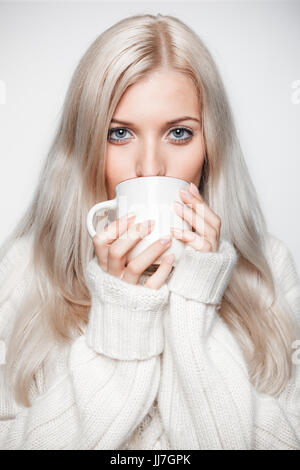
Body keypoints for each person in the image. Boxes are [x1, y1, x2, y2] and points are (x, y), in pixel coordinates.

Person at [0, 13, 299, 450]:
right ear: (85, 144)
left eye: (179, 133)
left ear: (211, 146)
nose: (150, 167)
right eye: (119, 134)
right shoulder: (25, 269)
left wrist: (194, 302)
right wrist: (122, 322)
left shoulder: (266, 270)